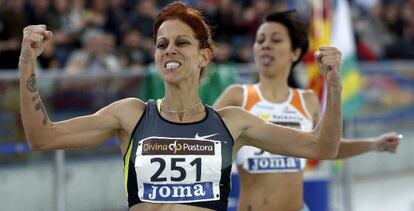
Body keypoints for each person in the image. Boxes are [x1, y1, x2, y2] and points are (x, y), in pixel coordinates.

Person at [19, 3, 343, 211]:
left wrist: (333, 85)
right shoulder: (131, 115)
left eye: (181, 42)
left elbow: (323, 147)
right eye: (162, 44)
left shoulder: (232, 122)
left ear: (204, 55)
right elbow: (42, 137)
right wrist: (26, 64)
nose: (169, 50)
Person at [213, 11, 401, 211]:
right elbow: (199, 140)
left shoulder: (307, 100)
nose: (266, 45)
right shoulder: (236, 96)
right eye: (260, 40)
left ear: (295, 52)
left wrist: (373, 144)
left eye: (276, 40)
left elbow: (326, 147)